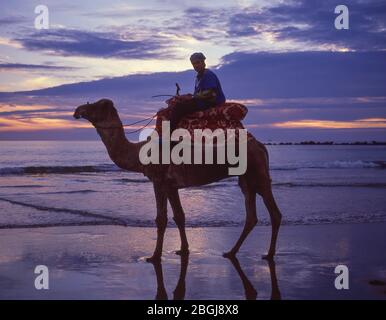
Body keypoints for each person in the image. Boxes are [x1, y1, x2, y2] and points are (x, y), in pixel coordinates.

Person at [169, 52, 226, 132]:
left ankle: (169, 136)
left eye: (198, 62)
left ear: (203, 62)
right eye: (194, 64)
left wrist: (193, 97)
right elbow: (198, 94)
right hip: (202, 101)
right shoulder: (199, 77)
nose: (196, 65)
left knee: (178, 108)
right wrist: (189, 96)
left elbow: (210, 92)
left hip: (211, 102)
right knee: (181, 103)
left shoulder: (208, 75)